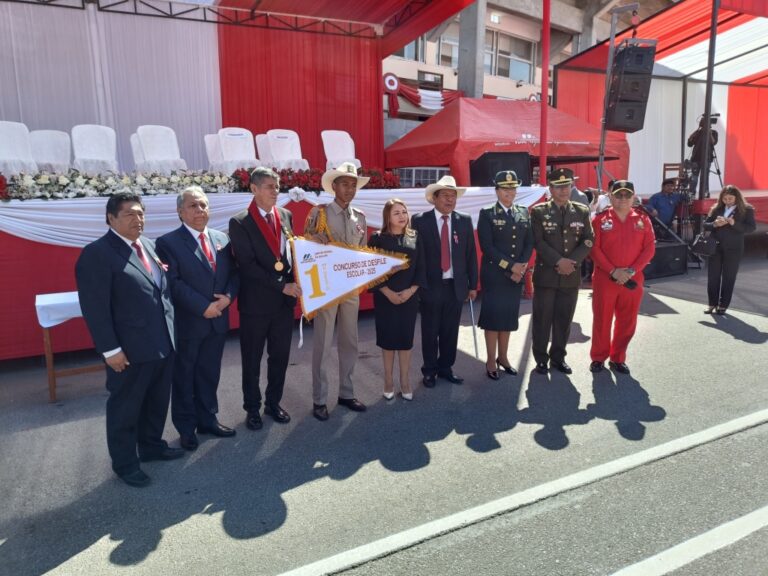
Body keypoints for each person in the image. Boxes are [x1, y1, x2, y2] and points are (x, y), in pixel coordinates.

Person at [75, 192, 183, 487]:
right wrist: (110, 350)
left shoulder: (148, 245)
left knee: (156, 401)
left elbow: (160, 292)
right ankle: (125, 463)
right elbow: (95, 308)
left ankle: (151, 446)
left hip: (162, 342)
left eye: (141, 213)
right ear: (111, 218)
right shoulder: (97, 254)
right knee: (125, 408)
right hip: (129, 349)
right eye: (130, 214)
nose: (138, 219)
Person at [156, 186, 238, 451]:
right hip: (190, 323)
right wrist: (203, 307)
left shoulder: (222, 239)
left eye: (203, 205)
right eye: (193, 206)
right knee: (184, 376)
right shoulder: (167, 243)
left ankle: (208, 420)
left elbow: (234, 274)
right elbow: (173, 282)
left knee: (209, 373)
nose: (200, 210)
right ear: (180, 212)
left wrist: (228, 298)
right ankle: (186, 428)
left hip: (218, 321)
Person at [229, 167, 301, 430]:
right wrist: (282, 286)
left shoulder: (285, 215)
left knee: (279, 357)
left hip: (283, 306)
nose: (276, 191)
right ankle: (252, 408)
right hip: (256, 305)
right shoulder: (240, 222)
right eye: (270, 186)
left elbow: (290, 256)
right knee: (252, 360)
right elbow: (247, 266)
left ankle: (273, 403)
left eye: (278, 186)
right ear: (254, 189)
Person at [304, 162, 369, 421]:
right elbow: (304, 248)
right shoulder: (319, 213)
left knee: (350, 341)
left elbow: (363, 250)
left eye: (353, 185)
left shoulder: (359, 217)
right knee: (323, 343)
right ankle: (319, 399)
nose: (350, 189)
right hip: (327, 286)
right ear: (334, 186)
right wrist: (313, 240)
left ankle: (346, 393)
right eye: (344, 184)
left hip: (350, 287)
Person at [411, 175, 478, 388]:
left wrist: (473, 285)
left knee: (450, 331)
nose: (450, 200)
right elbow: (415, 256)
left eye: (453, 196)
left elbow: (470, 255)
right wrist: (417, 284)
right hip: (431, 286)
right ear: (434, 198)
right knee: (430, 331)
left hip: (455, 286)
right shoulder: (420, 220)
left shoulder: (463, 220)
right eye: (445, 195)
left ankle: (446, 367)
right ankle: (429, 370)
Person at [530, 168, 594, 375]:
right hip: (547, 275)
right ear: (550, 188)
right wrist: (558, 261)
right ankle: (541, 358)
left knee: (564, 319)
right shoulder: (539, 211)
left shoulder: (581, 211)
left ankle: (558, 357)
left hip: (570, 275)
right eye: (558, 186)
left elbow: (588, 240)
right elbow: (538, 241)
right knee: (542, 319)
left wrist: (571, 262)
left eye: (567, 186)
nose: (564, 190)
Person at [589, 180, 656, 375]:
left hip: (632, 280)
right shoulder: (600, 219)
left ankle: (618, 357)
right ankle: (598, 357)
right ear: (610, 196)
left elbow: (649, 248)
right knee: (602, 320)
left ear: (633, 197)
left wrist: (631, 271)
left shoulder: (643, 219)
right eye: (619, 195)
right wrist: (613, 271)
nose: (623, 199)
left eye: (627, 195)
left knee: (627, 321)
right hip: (605, 279)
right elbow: (594, 249)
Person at [477, 170, 534, 379]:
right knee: (493, 318)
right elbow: (487, 247)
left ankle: (503, 357)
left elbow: (529, 242)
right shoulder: (487, 213)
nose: (510, 192)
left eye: (513, 188)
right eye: (505, 189)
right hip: (495, 274)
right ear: (497, 191)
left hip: (516, 275)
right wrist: (512, 267)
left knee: (509, 317)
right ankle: (491, 360)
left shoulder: (523, 212)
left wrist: (522, 267)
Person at [367, 199, 426, 400]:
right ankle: (388, 380)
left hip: (409, 297)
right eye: (396, 213)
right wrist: (388, 292)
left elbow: (421, 267)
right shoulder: (377, 238)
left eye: (404, 212)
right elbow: (372, 271)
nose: (402, 216)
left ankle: (405, 380)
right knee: (388, 340)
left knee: (405, 340)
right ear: (387, 217)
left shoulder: (415, 237)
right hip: (386, 298)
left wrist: (411, 291)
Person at [702, 184, 756, 315]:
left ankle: (723, 305)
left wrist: (734, 223)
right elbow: (705, 224)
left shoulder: (747, 209)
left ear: (737, 197)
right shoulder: (717, 208)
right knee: (713, 276)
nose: (727, 201)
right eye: (725, 199)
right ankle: (711, 303)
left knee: (729, 277)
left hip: (734, 248)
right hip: (715, 246)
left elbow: (751, 228)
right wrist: (715, 224)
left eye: (730, 199)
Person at [687, 117, 719, 196]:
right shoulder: (698, 133)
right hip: (695, 158)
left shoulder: (714, 132)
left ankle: (705, 192)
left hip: (707, 158)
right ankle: (691, 193)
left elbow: (713, 142)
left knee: (705, 177)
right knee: (694, 176)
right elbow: (689, 144)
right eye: (703, 123)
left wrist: (709, 133)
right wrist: (694, 133)